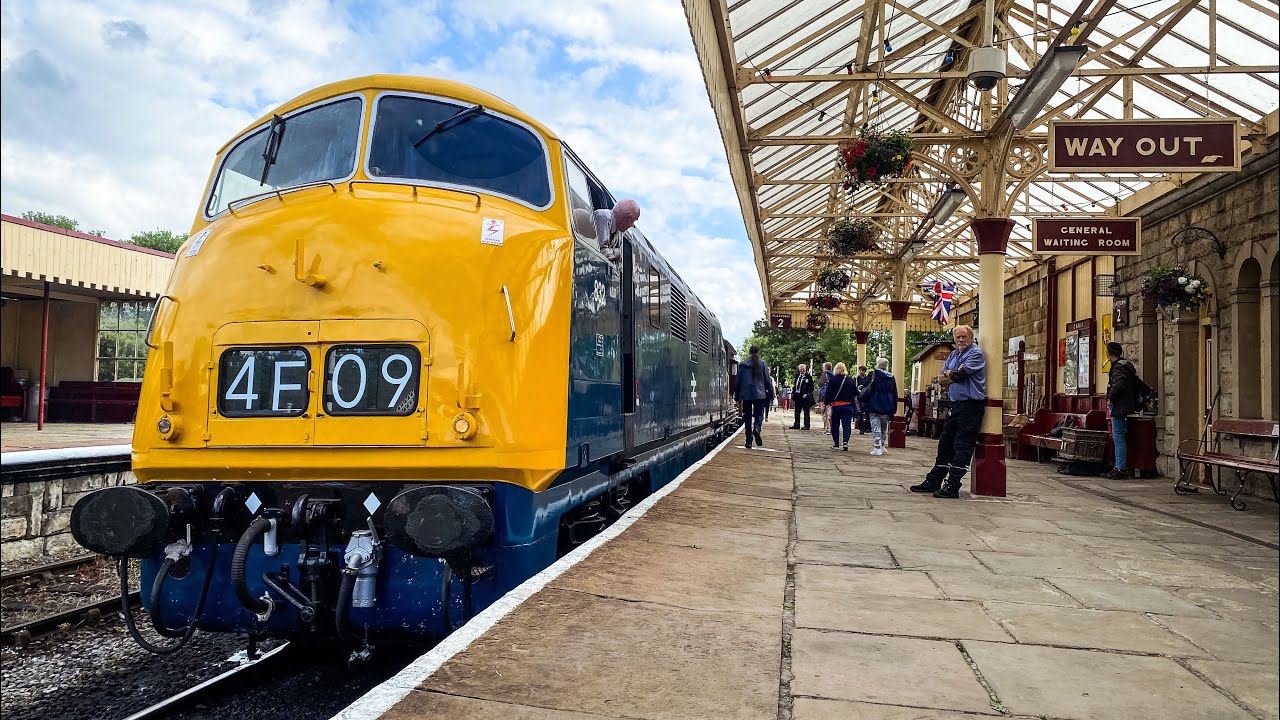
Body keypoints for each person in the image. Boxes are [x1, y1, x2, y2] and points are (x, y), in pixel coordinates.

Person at [911, 325, 985, 499]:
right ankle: (935, 480)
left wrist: (951, 374)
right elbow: (940, 378)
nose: (960, 340)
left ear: (971, 337)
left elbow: (959, 375)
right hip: (955, 404)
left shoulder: (975, 354)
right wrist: (951, 374)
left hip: (971, 405)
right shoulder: (953, 355)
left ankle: (953, 484)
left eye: (964, 337)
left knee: (963, 445)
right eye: (957, 337)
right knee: (945, 443)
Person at [1103, 341, 1147, 480]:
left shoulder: (1117, 368)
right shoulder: (1125, 365)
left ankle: (1120, 468)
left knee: (1118, 436)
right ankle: (1119, 466)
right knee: (1119, 435)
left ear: (1109, 353)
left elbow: (1119, 384)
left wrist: (1111, 398)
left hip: (1120, 406)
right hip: (1125, 404)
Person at [733, 346, 773, 449]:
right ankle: (756, 428)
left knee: (747, 417)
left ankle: (748, 441)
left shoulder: (742, 364)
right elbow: (767, 380)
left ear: (749, 352)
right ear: (758, 352)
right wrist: (771, 393)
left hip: (746, 395)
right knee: (759, 414)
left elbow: (738, 382)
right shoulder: (762, 364)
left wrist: (737, 396)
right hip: (759, 394)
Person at [862, 357, 899, 456]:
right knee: (884, 426)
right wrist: (894, 407)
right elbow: (895, 393)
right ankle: (882, 445)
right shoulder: (891, 377)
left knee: (875, 427)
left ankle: (877, 447)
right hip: (888, 405)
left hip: (874, 404)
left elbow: (866, 386)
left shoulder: (873, 375)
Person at [822, 362, 858, 451]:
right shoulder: (850, 380)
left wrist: (826, 403)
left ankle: (836, 444)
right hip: (848, 406)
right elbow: (855, 393)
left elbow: (828, 393)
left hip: (836, 406)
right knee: (847, 425)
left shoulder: (833, 380)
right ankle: (845, 441)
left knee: (835, 425)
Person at [791, 364, 815, 430]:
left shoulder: (808, 377)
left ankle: (807, 425)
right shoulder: (797, 376)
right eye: (801, 368)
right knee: (797, 411)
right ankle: (796, 424)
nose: (802, 369)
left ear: (805, 369)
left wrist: (807, 394)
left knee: (806, 411)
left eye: (803, 368)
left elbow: (811, 387)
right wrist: (793, 392)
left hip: (804, 396)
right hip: (797, 395)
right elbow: (795, 385)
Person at [854, 366, 872, 434]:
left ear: (865, 371)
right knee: (859, 413)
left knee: (867, 413)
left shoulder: (868, 379)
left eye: (863, 370)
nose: (861, 372)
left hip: (866, 398)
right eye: (860, 370)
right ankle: (861, 428)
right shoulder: (855, 379)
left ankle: (867, 427)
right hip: (858, 398)